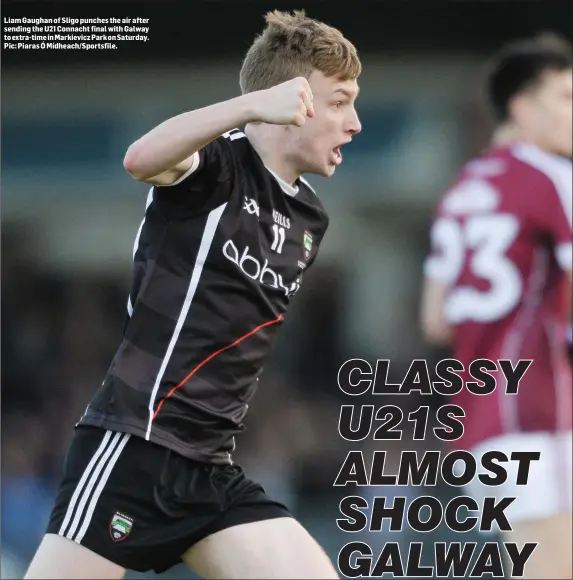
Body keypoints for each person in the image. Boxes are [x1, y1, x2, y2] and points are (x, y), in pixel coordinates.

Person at [25, 10, 361, 579]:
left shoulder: (309, 217)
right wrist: (250, 105)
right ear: (290, 101)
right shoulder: (219, 164)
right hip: (135, 449)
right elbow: (140, 159)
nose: (353, 123)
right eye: (339, 102)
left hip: (210, 470)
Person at [421, 33, 572, 579]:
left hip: (482, 422)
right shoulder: (552, 178)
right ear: (522, 107)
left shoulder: (460, 191)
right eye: (566, 97)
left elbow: (435, 320)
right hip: (541, 416)